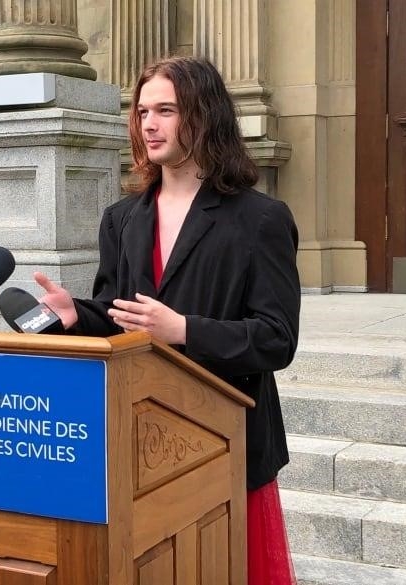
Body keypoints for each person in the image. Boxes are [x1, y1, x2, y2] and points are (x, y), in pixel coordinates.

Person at [34, 57, 300, 585]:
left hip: (229, 440)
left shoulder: (261, 218)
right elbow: (121, 317)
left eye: (166, 111)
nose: (148, 124)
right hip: (146, 439)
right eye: (142, 112)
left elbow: (277, 340)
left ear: (204, 116)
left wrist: (183, 330)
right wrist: (75, 316)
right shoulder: (123, 217)